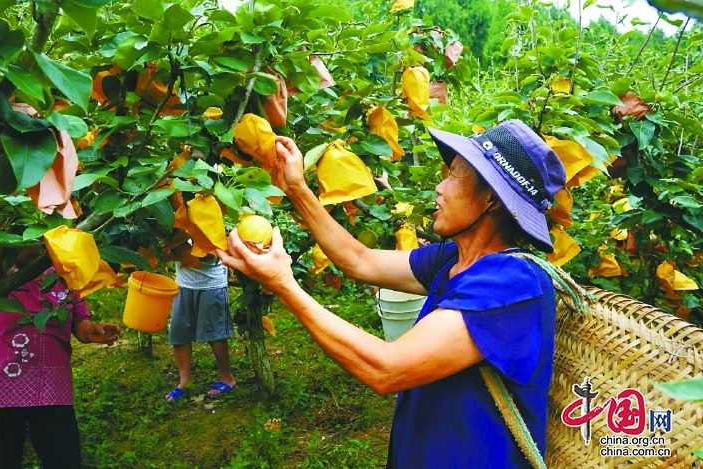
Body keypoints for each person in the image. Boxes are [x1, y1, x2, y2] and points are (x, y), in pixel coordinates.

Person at [217, 119, 566, 468]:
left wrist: (283, 284)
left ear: (490, 198)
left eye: (454, 175)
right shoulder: (453, 260)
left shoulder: (512, 282)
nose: (440, 188)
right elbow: (360, 260)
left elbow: (387, 369)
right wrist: (296, 188)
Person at [0, 262, 122, 469]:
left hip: (51, 387)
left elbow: (80, 321)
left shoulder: (66, 272)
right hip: (1, 384)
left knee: (63, 461)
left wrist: (91, 331)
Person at [164, 254, 237, 402]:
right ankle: (185, 381)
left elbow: (210, 253)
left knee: (215, 335)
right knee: (179, 334)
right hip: (183, 284)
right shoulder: (177, 229)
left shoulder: (214, 229)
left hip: (211, 283)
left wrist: (169, 254)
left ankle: (227, 377)